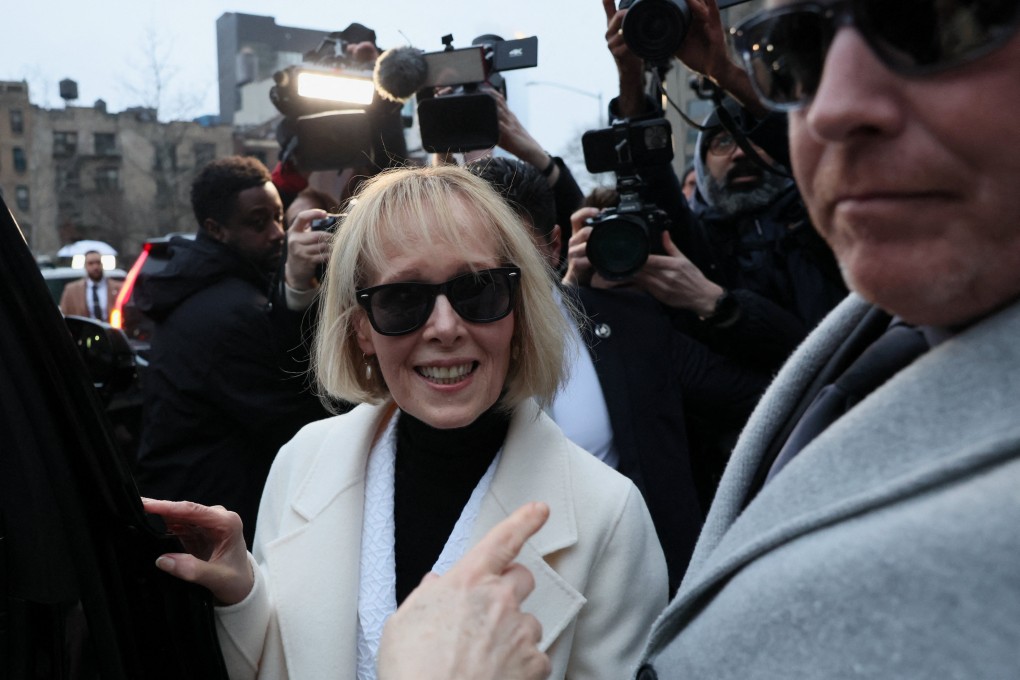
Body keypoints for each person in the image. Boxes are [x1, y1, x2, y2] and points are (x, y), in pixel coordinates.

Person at [375, 0, 1020, 677]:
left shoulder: (638, 344)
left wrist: (713, 304)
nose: (832, 107)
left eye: (935, 30)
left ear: (554, 242)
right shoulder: (870, 341)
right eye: (799, 57)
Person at [144, 165, 667, 680]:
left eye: (478, 290)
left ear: (518, 311)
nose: (445, 327)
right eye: (402, 300)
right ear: (362, 331)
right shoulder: (302, 461)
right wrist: (244, 598)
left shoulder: (609, 515)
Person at [468, 156, 768, 589]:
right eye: (471, 252)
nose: (493, 271)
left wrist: (717, 304)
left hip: (647, 591)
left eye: (512, 249)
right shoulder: (430, 350)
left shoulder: (633, 326)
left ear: (554, 245)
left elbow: (769, 391)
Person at [134, 156, 332, 547]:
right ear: (216, 229)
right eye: (258, 223)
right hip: (211, 517)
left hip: (194, 499)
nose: (278, 233)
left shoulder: (208, 286)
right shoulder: (231, 312)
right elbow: (294, 415)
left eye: (279, 217)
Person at [58, 249, 122, 320]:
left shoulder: (119, 288)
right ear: (85, 265)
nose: (95, 267)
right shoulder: (72, 290)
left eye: (98, 262)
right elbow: (65, 314)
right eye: (91, 263)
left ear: (102, 264)